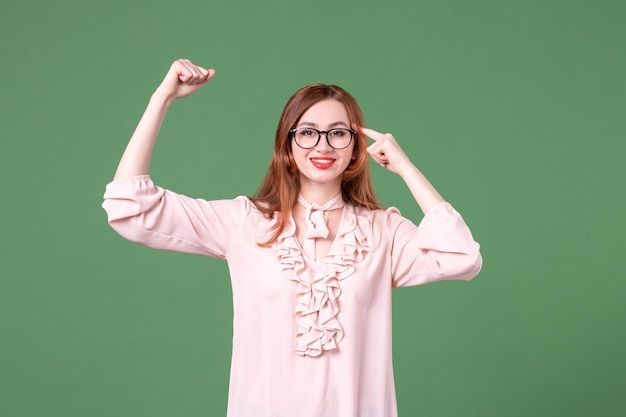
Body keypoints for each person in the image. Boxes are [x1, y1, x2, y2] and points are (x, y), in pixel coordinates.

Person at [103, 59, 482, 417]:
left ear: (354, 147)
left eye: (338, 133)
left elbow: (462, 257)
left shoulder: (384, 233)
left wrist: (406, 168)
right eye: (307, 132)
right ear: (287, 144)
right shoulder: (245, 223)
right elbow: (130, 207)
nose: (323, 145)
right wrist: (161, 98)